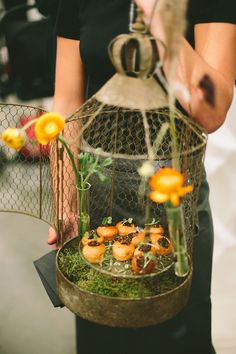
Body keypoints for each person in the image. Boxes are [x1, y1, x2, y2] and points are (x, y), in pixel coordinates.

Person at [48, 0, 236, 353]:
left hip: (173, 203)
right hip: (100, 197)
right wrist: (65, 196)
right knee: (103, 338)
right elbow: (67, 106)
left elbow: (210, 111)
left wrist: (160, 20)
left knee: (178, 339)